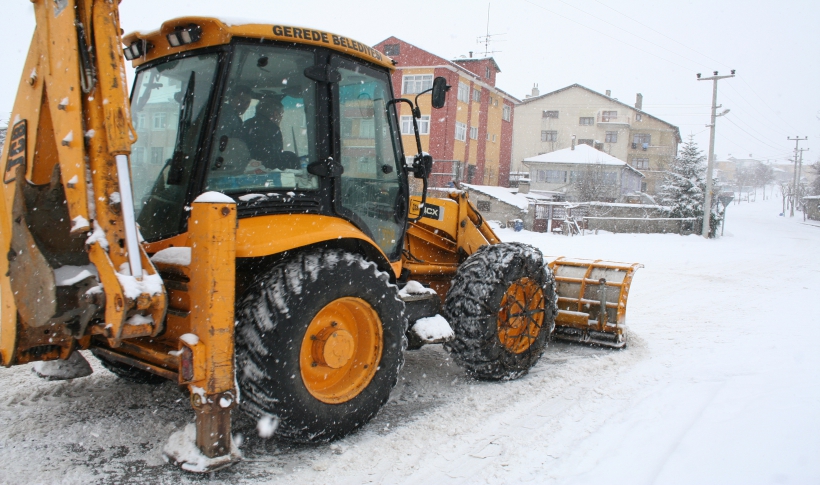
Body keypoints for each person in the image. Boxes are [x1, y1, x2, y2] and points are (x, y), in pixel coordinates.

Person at [245, 96, 299, 170]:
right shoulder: (272, 129)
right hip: (264, 172)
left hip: (245, 168)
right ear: (276, 114)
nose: (281, 118)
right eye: (281, 114)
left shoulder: (245, 124)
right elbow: (275, 159)